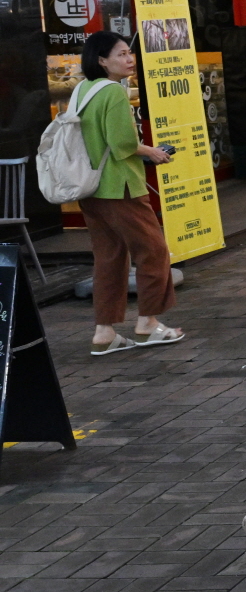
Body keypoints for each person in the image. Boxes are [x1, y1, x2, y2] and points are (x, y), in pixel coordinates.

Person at [73, 33, 181, 356]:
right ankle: (147, 323)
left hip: (90, 189)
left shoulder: (81, 89)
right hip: (121, 187)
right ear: (102, 60)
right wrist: (153, 152)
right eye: (121, 54)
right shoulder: (114, 93)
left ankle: (104, 332)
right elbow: (122, 144)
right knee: (154, 250)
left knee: (108, 257)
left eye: (130, 52)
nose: (129, 59)